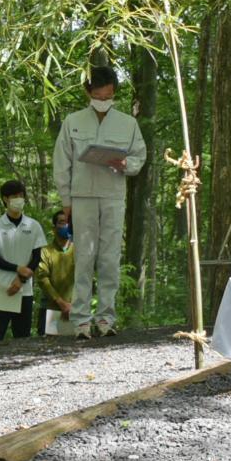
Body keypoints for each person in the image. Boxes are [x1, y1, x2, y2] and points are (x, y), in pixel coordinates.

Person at [53, 66, 147, 338]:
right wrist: (66, 200)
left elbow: (139, 157)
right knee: (84, 257)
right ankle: (81, 320)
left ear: (114, 92)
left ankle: (106, 318)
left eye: (107, 96)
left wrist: (125, 163)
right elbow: (62, 163)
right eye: (97, 95)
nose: (103, 101)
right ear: (88, 92)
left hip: (113, 195)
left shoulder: (127, 123)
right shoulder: (73, 121)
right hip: (82, 197)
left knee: (109, 257)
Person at [0, 180, 46, 342]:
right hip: (1, 288)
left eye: (21, 195)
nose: (19, 199)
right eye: (14, 196)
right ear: (5, 199)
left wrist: (21, 279)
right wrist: (18, 268)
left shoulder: (34, 226)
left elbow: (36, 257)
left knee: (23, 338)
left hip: (25, 290)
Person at [38, 206, 76, 335]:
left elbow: (85, 279)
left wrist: (72, 305)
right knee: (46, 349)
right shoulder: (45, 251)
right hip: (49, 308)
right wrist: (61, 303)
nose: (65, 225)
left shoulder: (80, 250)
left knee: (75, 350)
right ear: (54, 228)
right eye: (61, 222)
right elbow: (42, 279)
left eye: (68, 223)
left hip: (74, 309)